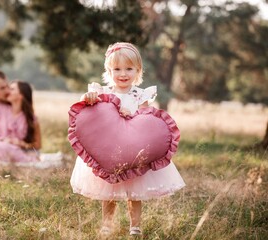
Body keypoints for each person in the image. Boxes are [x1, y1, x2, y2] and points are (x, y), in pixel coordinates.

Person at [70, 42, 185, 236]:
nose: (123, 74)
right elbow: (87, 104)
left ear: (138, 70)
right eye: (117, 69)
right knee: (109, 190)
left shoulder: (140, 95)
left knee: (135, 192)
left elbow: (146, 120)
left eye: (128, 69)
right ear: (109, 70)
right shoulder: (103, 93)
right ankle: (107, 224)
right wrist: (88, 96)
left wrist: (130, 116)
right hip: (109, 149)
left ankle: (135, 226)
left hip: (133, 149)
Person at [0, 80, 41, 163]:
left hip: (18, 151)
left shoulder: (31, 118)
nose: (8, 91)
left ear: (21, 95)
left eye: (12, 89)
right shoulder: (0, 109)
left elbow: (38, 144)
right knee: (0, 149)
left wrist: (21, 144)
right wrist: (1, 143)